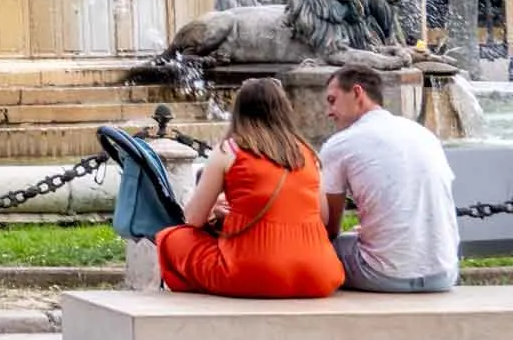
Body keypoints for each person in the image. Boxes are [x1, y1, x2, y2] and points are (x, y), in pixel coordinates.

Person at [157, 76, 345, 297]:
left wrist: (217, 210)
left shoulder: (229, 150)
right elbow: (323, 218)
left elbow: (193, 220)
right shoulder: (306, 153)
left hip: (250, 273)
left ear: (239, 112)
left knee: (171, 239)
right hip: (318, 276)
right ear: (284, 110)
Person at [321, 66, 460, 291]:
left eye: (332, 100)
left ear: (357, 93)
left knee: (317, 251)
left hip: (381, 274)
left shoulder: (341, 145)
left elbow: (328, 229)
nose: (329, 111)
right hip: (444, 273)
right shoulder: (423, 134)